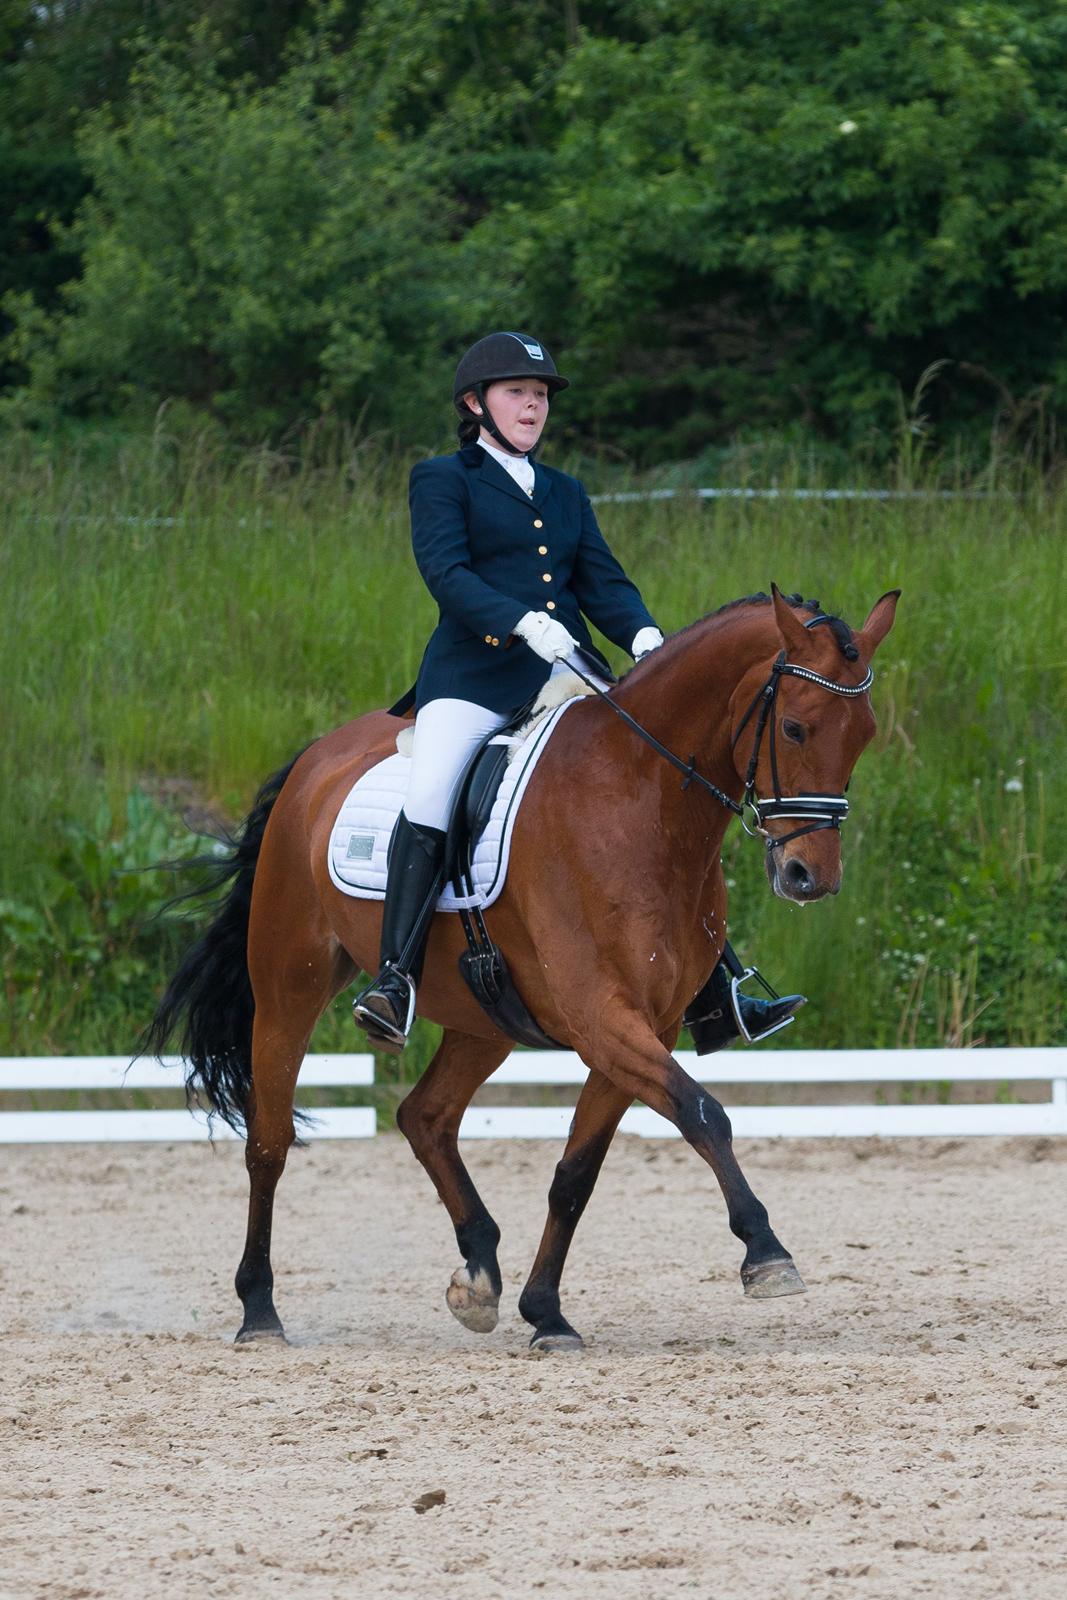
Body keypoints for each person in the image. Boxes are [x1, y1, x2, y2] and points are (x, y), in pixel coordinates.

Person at [352, 331, 804, 1052]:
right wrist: (521, 622)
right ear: (475, 404)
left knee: (656, 793)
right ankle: (394, 978)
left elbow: (602, 579)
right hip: (474, 674)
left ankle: (719, 988)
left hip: (568, 673)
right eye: (516, 394)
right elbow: (447, 573)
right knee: (432, 790)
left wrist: (646, 639)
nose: (532, 406)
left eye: (538, 397)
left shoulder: (563, 491)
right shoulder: (443, 477)